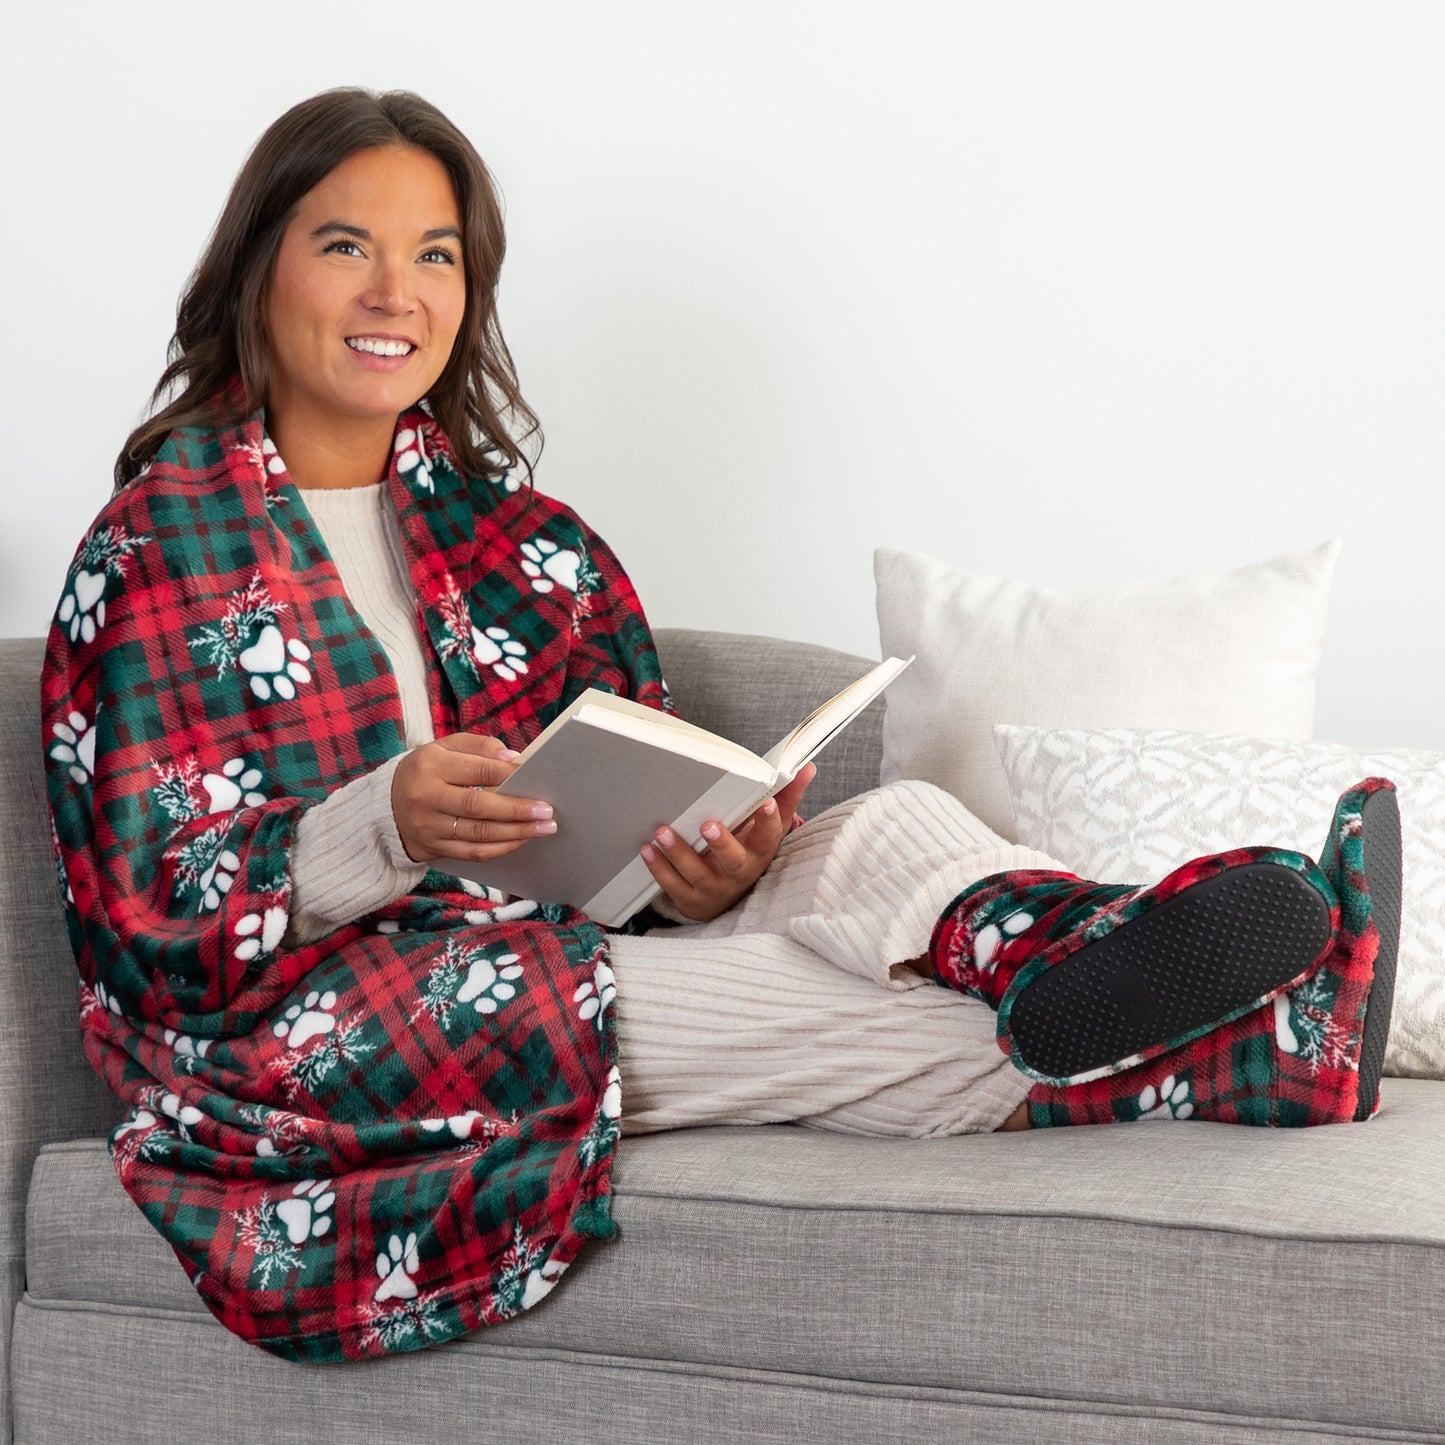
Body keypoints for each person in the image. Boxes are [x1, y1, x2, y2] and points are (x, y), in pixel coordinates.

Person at [40, 88, 1401, 1363]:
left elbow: (634, 816)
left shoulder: (528, 546)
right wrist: (377, 824)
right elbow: (148, 922)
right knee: (775, 999)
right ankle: (1264, 1034)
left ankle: (1087, 946)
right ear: (256, 273)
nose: (398, 292)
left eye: (437, 255)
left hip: (555, 934)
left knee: (880, 825)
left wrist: (713, 863)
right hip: (309, 1026)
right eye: (347, 245)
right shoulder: (162, 547)